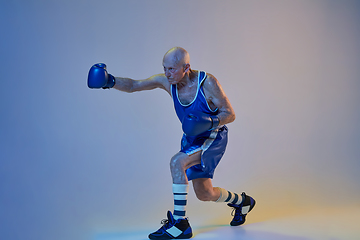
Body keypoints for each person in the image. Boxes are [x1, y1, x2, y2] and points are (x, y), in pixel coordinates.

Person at [87, 47, 256, 239]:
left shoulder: (207, 82)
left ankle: (180, 224)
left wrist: (210, 121)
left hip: (213, 137)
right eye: (165, 68)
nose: (167, 74)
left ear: (186, 67)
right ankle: (242, 202)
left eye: (172, 69)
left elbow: (230, 114)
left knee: (177, 162)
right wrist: (111, 81)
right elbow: (135, 85)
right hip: (192, 138)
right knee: (205, 193)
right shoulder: (167, 82)